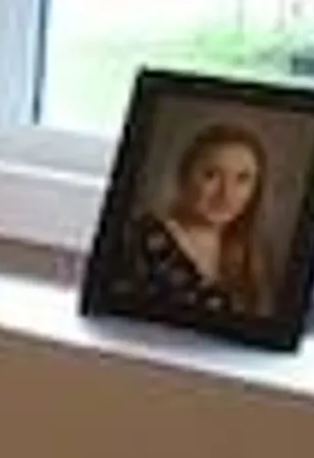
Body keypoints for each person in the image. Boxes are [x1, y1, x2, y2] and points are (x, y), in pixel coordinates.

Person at [108, 121, 275, 321]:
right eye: (211, 175)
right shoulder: (140, 237)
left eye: (242, 179)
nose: (227, 194)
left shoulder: (252, 251)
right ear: (184, 175)